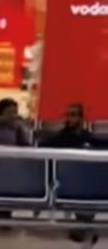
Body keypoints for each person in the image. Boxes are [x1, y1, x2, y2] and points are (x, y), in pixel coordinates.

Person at [40, 103, 99, 241]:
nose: (69, 118)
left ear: (81, 118)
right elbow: (42, 149)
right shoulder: (59, 138)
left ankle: (83, 226)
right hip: (65, 181)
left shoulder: (88, 137)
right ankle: (83, 227)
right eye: (67, 115)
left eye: (73, 115)